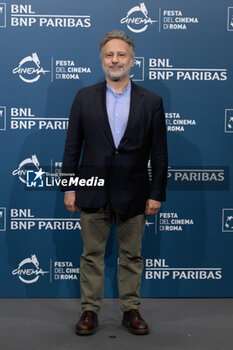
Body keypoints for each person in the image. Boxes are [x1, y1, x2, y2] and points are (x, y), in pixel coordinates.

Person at [62, 30, 168, 335]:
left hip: (134, 192)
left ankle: (130, 309)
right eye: (109, 54)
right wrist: (70, 187)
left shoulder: (152, 101)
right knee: (91, 255)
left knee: (132, 255)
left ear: (132, 60)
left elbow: (159, 153)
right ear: (102, 60)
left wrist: (156, 193)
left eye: (121, 54)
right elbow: (72, 147)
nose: (115, 60)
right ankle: (89, 311)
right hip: (92, 190)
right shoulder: (84, 98)